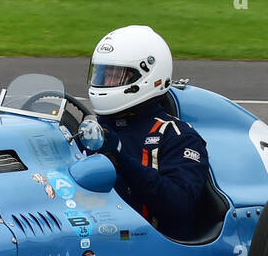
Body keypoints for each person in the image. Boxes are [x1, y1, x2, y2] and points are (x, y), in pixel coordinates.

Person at [81, 26, 210, 242]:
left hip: (153, 250)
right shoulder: (92, 130)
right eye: (103, 74)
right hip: (92, 238)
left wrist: (118, 157)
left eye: (116, 75)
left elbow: (179, 205)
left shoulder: (178, 136)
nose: (106, 82)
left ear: (149, 77)